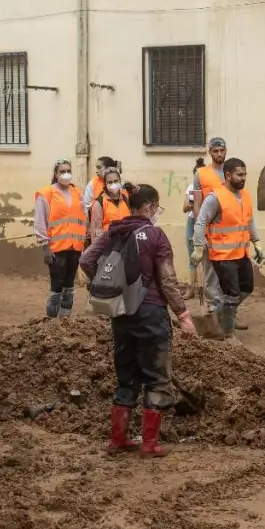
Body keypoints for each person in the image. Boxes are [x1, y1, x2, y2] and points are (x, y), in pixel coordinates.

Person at [81, 184, 196, 457]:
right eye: (156, 206)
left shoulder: (113, 232)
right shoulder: (156, 235)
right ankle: (149, 443)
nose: (157, 211)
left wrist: (109, 285)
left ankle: (118, 439)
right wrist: (183, 315)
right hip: (151, 313)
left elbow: (86, 260)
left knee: (126, 376)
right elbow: (167, 279)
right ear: (148, 207)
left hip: (121, 313)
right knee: (156, 376)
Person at [191, 158, 265, 337]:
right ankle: (228, 333)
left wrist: (257, 242)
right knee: (231, 295)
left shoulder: (245, 195)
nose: (243, 178)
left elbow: (249, 220)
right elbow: (200, 223)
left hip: (242, 253)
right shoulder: (215, 198)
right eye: (239, 174)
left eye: (245, 174)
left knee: (246, 289)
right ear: (228, 175)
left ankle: (217, 317)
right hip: (223, 256)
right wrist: (198, 247)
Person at [35, 159, 87, 318]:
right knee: (57, 284)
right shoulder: (46, 194)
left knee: (70, 284)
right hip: (56, 247)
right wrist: (45, 246)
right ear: (56, 174)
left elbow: (84, 215)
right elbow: (40, 221)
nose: (66, 174)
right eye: (62, 171)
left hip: (75, 246)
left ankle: (65, 319)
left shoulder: (77, 192)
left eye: (68, 171)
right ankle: (52, 320)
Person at [192, 138, 229, 324]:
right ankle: (214, 314)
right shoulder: (201, 174)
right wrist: (201, 234)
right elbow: (197, 206)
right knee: (211, 274)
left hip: (230, 235)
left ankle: (228, 314)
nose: (219, 154)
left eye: (222, 150)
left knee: (229, 276)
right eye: (215, 151)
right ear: (210, 152)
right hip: (210, 233)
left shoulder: (232, 171)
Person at [88, 167, 129, 243]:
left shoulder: (126, 199)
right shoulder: (98, 203)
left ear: (120, 181)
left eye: (116, 181)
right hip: (108, 246)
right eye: (110, 182)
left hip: (126, 244)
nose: (113, 184)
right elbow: (95, 232)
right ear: (105, 184)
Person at [183, 157, 205, 298]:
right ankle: (191, 289)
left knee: (207, 256)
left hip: (206, 222)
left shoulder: (210, 187)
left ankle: (206, 289)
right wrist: (193, 203)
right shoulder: (191, 187)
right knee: (192, 255)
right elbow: (184, 208)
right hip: (192, 221)